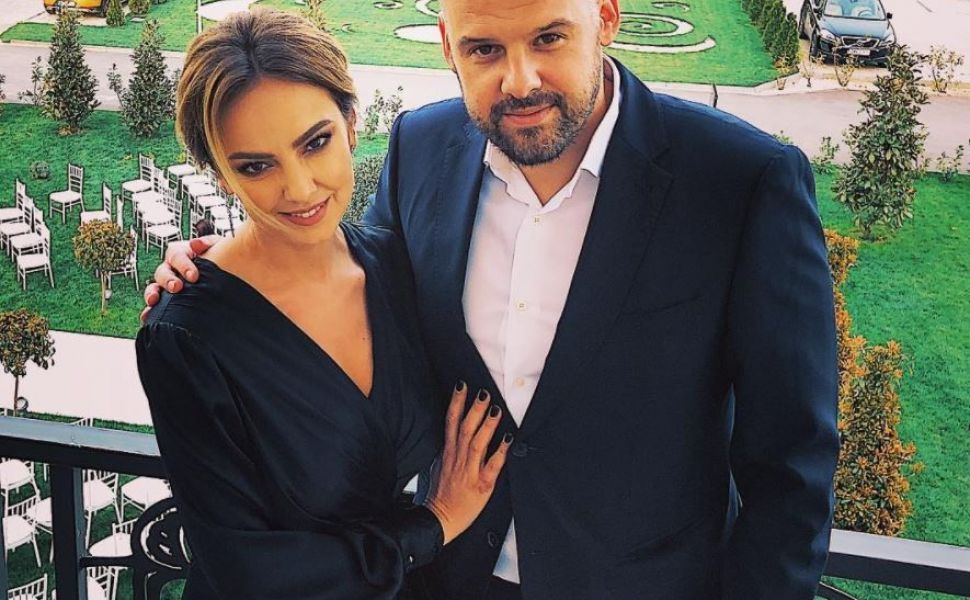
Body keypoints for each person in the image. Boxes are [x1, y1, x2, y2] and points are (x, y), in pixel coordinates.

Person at [146, 0, 840, 598]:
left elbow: (791, 464)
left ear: (605, 17)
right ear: (448, 46)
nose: (520, 80)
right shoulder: (420, 148)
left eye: (548, 37)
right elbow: (354, 289)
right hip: (443, 580)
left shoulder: (740, 181)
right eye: (484, 48)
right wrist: (211, 278)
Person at [135, 9, 512, 599]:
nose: (300, 188)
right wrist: (433, 523)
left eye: (315, 143)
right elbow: (245, 571)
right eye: (255, 166)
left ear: (352, 124)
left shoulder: (394, 268)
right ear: (221, 175)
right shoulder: (187, 336)